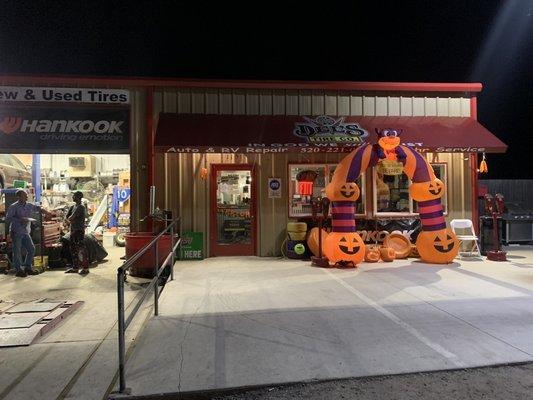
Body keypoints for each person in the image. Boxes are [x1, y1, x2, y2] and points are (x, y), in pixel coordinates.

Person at [6, 189, 54, 278]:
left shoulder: (28, 205)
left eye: (27, 195)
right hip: (16, 231)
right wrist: (20, 219)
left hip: (25, 231)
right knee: (17, 251)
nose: (27, 196)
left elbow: (38, 208)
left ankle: (28, 267)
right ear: (19, 197)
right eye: (25, 195)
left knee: (31, 249)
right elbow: (8, 218)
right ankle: (19, 270)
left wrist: (47, 212)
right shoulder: (13, 207)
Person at [65, 191, 89, 275]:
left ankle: (85, 268)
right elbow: (67, 217)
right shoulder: (73, 206)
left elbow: (70, 218)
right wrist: (69, 218)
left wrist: (69, 219)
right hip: (73, 230)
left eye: (74, 196)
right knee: (73, 249)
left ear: (79, 197)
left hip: (78, 231)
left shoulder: (80, 207)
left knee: (81, 250)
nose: (73, 197)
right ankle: (75, 267)